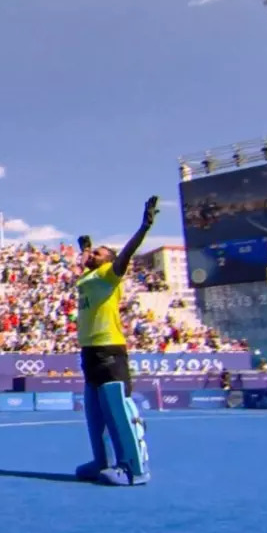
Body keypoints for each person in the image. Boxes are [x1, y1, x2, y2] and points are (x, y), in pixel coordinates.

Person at [73, 196, 158, 487]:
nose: (92, 254)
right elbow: (86, 266)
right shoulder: (88, 278)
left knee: (118, 411)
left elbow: (125, 255)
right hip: (89, 352)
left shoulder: (111, 274)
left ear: (108, 261)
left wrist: (143, 227)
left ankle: (134, 468)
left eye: (98, 252)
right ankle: (102, 461)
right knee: (95, 413)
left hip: (109, 350)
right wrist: (84, 250)